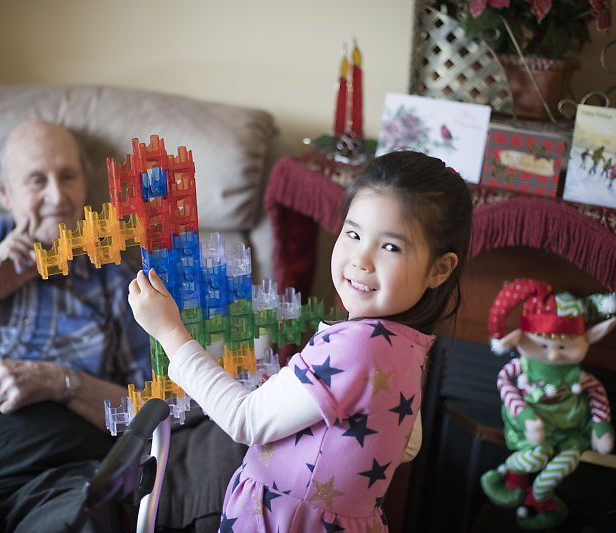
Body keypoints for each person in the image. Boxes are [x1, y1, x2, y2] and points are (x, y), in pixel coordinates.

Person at [0, 120, 244, 532]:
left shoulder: (121, 281)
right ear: (2, 192)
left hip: (55, 468)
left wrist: (63, 382)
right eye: (36, 180)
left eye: (68, 177)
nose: (57, 196)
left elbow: (162, 408)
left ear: (86, 185)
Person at [128, 150, 473, 532]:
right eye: (353, 234)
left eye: (391, 247)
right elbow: (406, 442)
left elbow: (245, 420)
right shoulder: (409, 345)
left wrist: (170, 332)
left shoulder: (355, 348)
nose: (361, 259)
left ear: (439, 269)